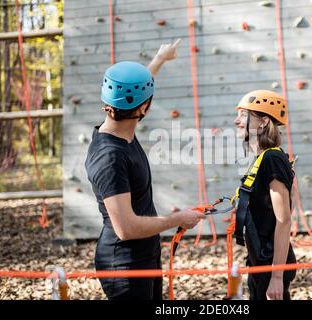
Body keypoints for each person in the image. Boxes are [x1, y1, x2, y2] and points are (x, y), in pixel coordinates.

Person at [85, 40, 205, 300]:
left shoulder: (121, 126)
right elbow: (125, 228)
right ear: (142, 109)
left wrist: (160, 58)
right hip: (124, 265)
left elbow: (135, 90)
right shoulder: (110, 157)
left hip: (145, 254)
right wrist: (178, 219)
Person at [233, 90, 297, 300]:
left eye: (243, 115)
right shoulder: (264, 159)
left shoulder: (271, 159)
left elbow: (284, 219)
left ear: (263, 121)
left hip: (270, 265)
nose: (237, 120)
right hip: (260, 261)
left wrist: (276, 277)